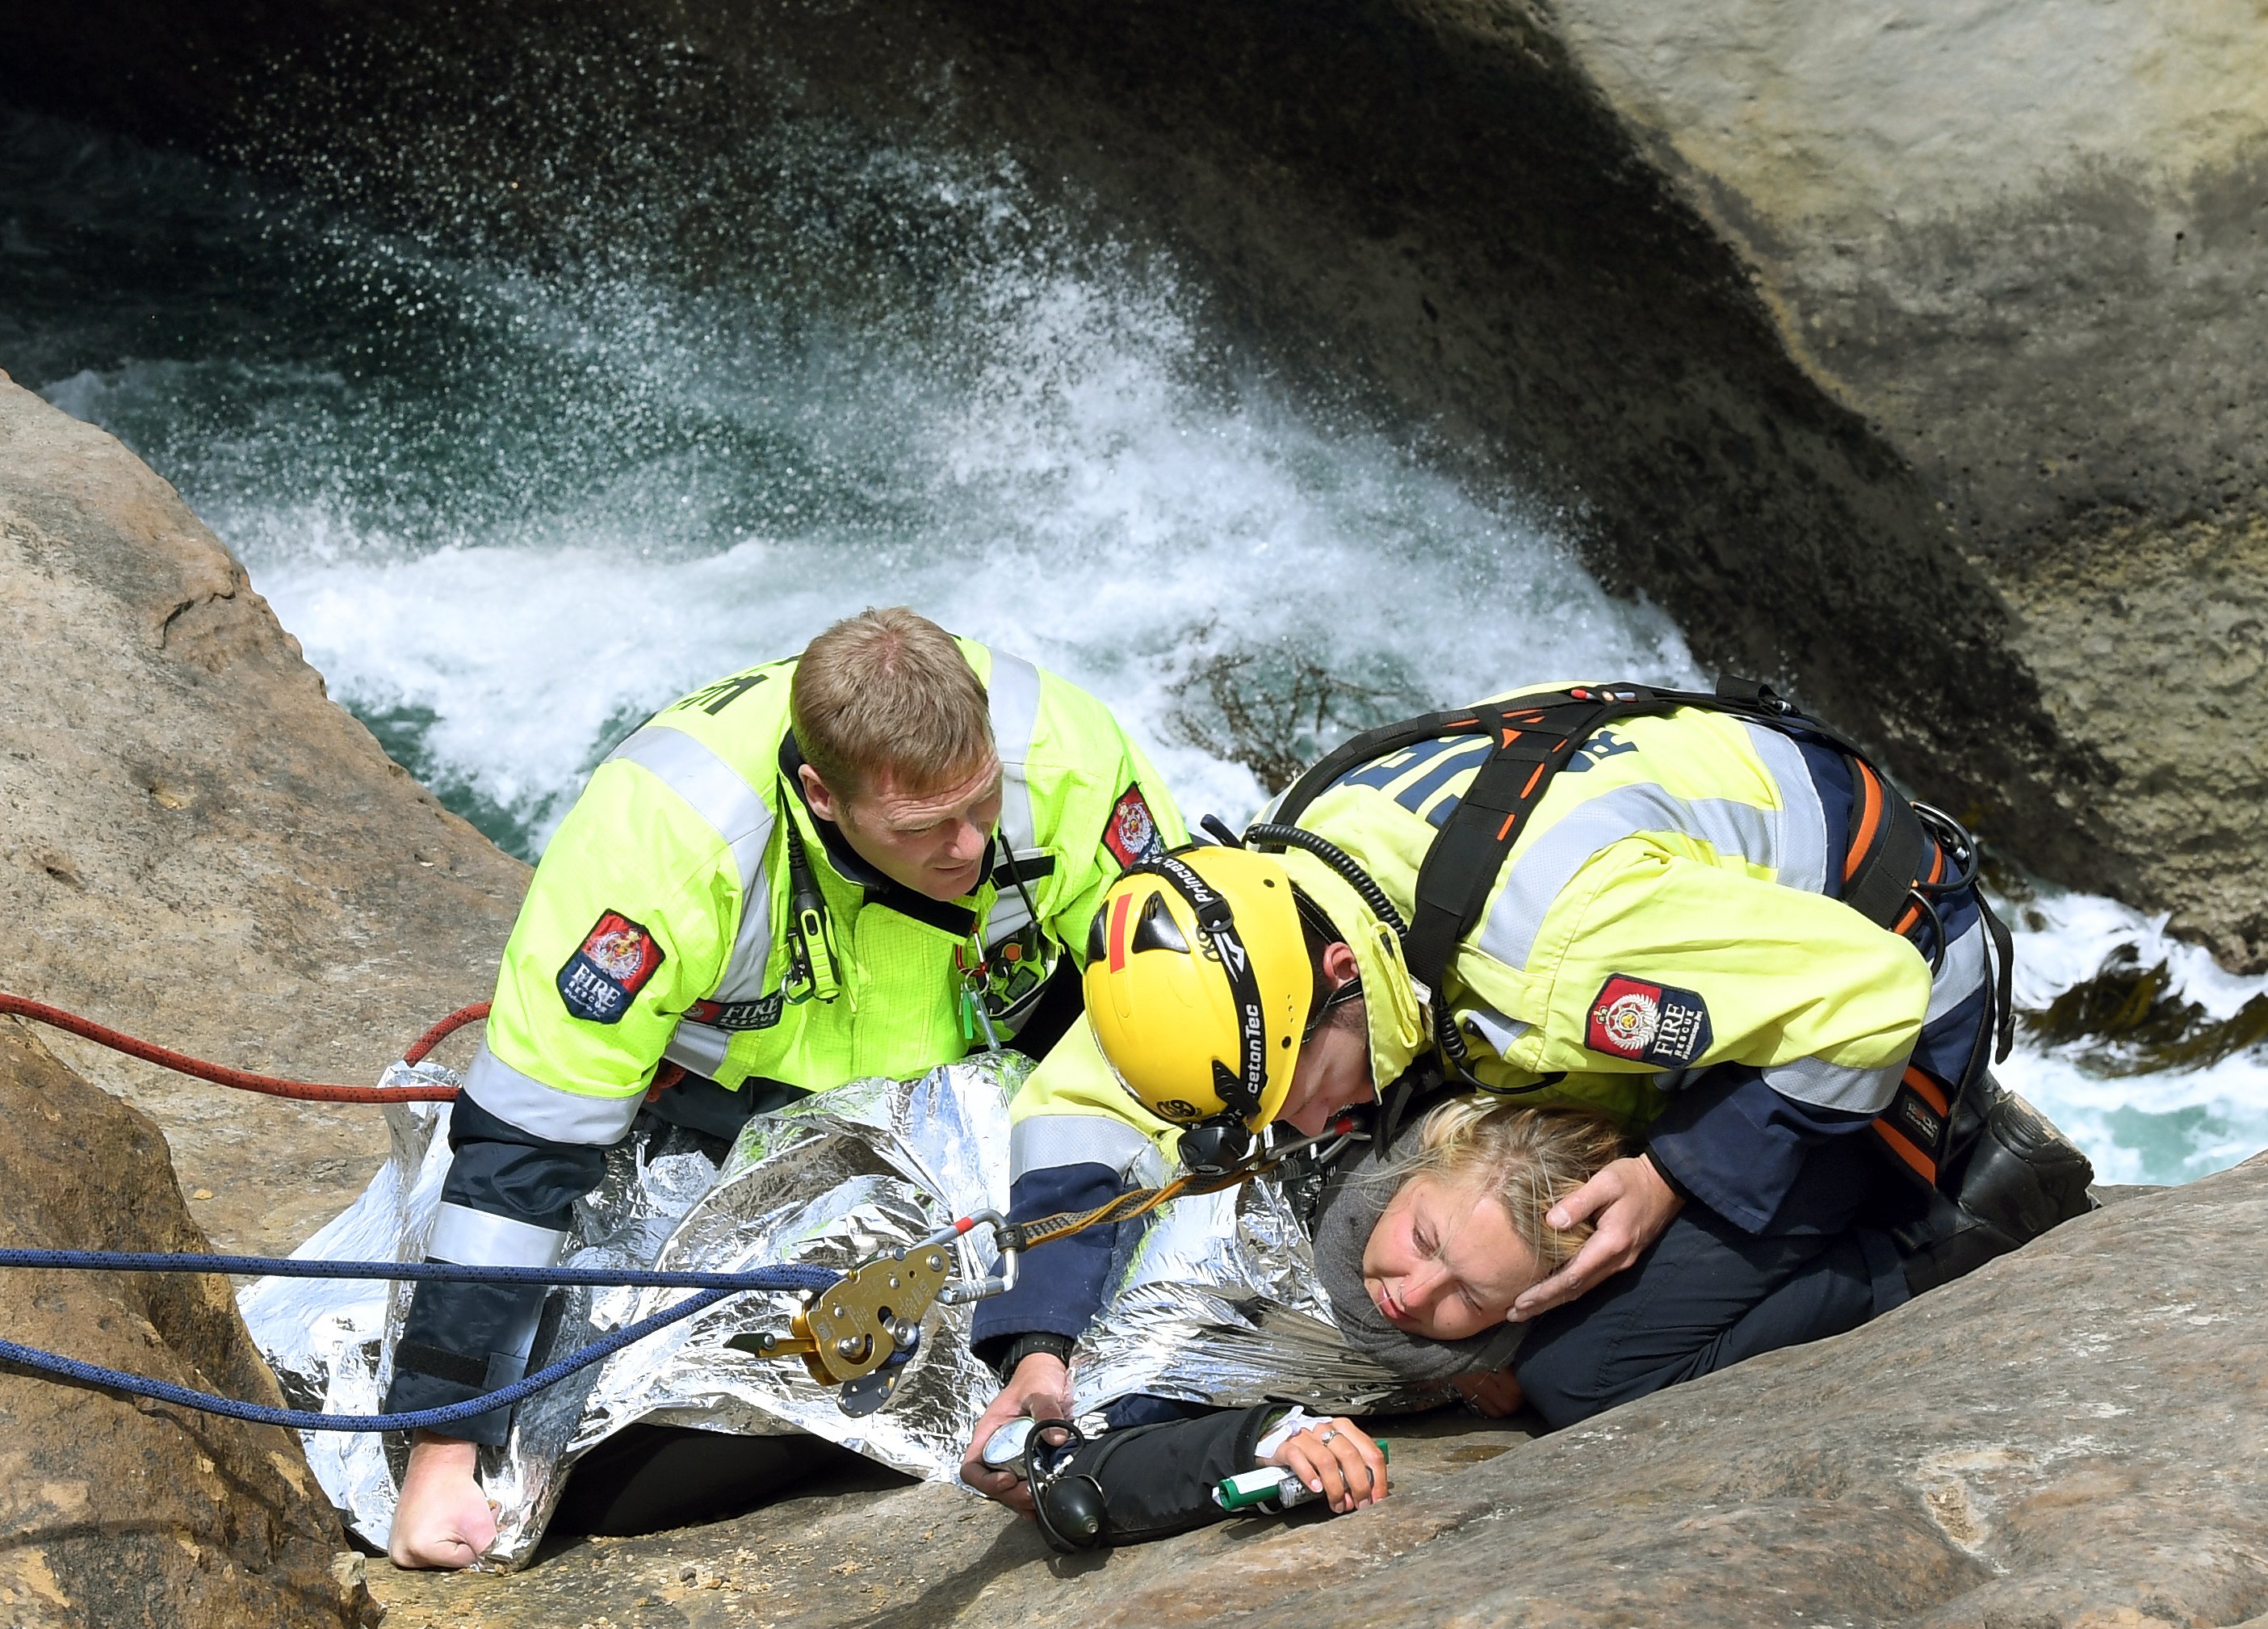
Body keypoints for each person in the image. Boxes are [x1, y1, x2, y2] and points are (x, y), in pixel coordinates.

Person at [963, 677, 2095, 1506]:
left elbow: (1866, 994)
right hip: (1717, 937)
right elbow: (1076, 1107)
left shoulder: (1550, 962)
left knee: (1584, 1366)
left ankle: (1953, 1213)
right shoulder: (1273, 913)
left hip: (1884, 974)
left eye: (1297, 1087)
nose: (1298, 1124)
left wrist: (1671, 1174)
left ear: (1341, 975)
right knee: (1373, 1200)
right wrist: (1037, 1343)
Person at [384, 607, 1185, 1568]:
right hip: (732, 1121)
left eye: (981, 807)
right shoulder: (662, 848)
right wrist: (444, 1440)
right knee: (606, 1470)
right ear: (821, 793)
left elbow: (1187, 994)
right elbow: (526, 1146)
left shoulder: (1066, 761)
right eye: (925, 827)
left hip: (991, 1073)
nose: (970, 847)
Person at [1000, 1096, 1628, 1548]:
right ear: (1408, 1173)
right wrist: (1258, 1439)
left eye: (1469, 1294)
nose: (1413, 1292)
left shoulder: (1497, 1347)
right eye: (1421, 1237)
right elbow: (1065, 1462)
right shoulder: (1238, 1237)